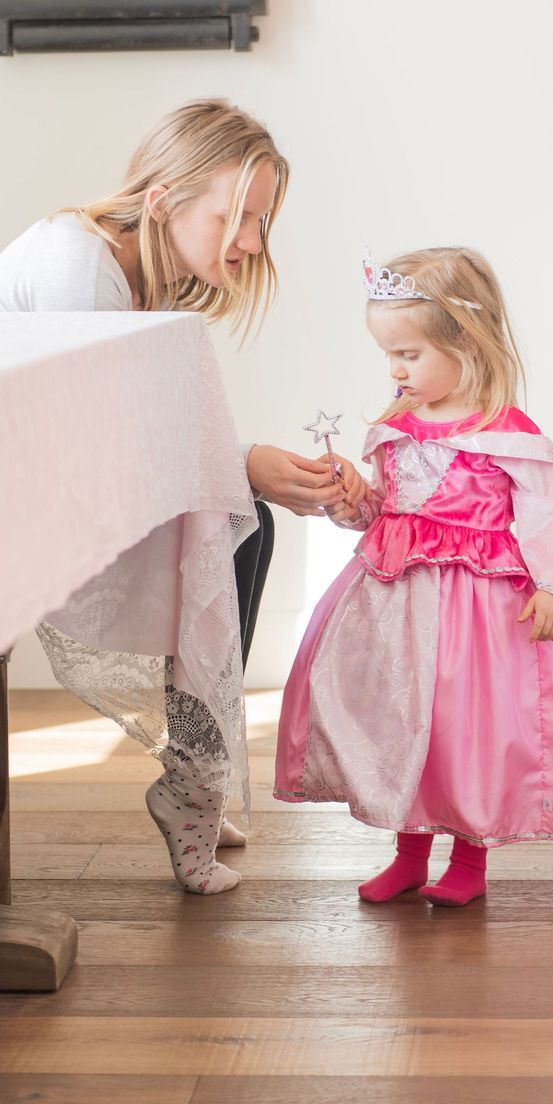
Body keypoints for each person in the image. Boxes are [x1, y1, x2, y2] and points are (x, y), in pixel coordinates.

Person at [0, 98, 362, 894]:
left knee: (245, 524)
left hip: (44, 478)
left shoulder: (125, 277)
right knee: (240, 521)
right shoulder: (78, 263)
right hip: (26, 491)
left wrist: (249, 468)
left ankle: (194, 778)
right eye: (236, 216)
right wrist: (246, 464)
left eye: (261, 221)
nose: (252, 242)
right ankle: (194, 782)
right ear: (162, 201)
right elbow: (106, 434)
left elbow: (134, 433)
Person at [274, 246, 553, 908]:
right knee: (407, 724)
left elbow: (546, 517)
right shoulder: (393, 431)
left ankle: (469, 859)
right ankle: (408, 854)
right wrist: (352, 498)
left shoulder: (508, 435)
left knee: (468, 730)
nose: (394, 369)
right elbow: (381, 513)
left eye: (408, 353)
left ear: (465, 343)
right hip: (398, 603)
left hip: (479, 612)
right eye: (389, 355)